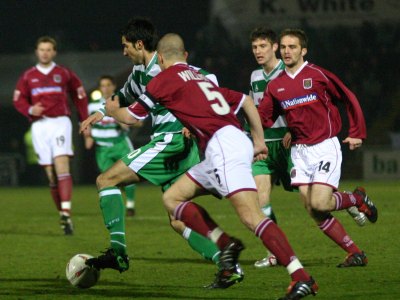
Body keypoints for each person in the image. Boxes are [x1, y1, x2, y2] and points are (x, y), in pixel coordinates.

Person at [108, 32, 318, 299]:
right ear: (184, 56)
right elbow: (244, 100)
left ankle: (301, 277)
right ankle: (225, 244)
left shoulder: (163, 79)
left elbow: (130, 116)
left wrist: (112, 109)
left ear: (160, 57)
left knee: (252, 217)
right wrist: (258, 141)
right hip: (225, 145)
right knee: (173, 199)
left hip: (223, 147)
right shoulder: (199, 77)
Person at [80, 18, 237, 283]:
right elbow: (122, 96)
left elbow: (206, 79)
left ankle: (118, 252)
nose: (123, 52)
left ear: (139, 44)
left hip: (171, 142)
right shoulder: (138, 74)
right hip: (176, 146)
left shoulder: (165, 68)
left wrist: (194, 121)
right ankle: (228, 266)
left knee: (106, 180)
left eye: (125, 46)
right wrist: (99, 112)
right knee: (177, 218)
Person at [258, 28, 378, 269]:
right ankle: (355, 253)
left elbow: (348, 97)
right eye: (283, 47)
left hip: (324, 145)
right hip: (300, 152)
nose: (286, 51)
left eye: (292, 47)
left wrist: (356, 132)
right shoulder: (276, 86)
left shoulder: (317, 75)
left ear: (303, 50)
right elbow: (264, 118)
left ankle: (356, 198)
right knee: (312, 209)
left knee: (321, 203)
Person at [13, 36, 89, 235]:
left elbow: (79, 95)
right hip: (39, 127)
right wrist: (30, 109)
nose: (45, 52)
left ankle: (66, 210)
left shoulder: (63, 73)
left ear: (54, 52)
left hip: (60, 123)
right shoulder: (28, 76)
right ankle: (64, 217)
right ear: (37, 52)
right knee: (51, 176)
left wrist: (84, 119)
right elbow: (18, 100)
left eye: (49, 49)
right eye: (41, 49)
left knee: (62, 166)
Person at [85, 75, 137, 216]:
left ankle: (130, 205)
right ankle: (117, 207)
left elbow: (134, 122)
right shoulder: (92, 105)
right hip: (102, 147)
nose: (106, 88)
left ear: (114, 86)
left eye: (108, 85)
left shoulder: (121, 102)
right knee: (108, 178)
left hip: (120, 143)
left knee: (129, 174)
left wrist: (121, 119)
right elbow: (86, 123)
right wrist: (87, 136)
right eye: (103, 85)